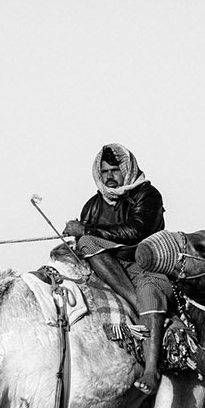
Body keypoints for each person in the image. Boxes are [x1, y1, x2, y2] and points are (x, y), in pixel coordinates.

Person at [63, 143, 170, 394]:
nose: (110, 176)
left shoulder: (147, 195)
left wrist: (86, 231)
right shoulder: (92, 205)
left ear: (127, 169)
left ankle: (151, 371)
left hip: (143, 263)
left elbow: (136, 232)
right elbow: (85, 242)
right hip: (106, 265)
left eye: (115, 170)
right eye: (105, 171)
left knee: (149, 293)